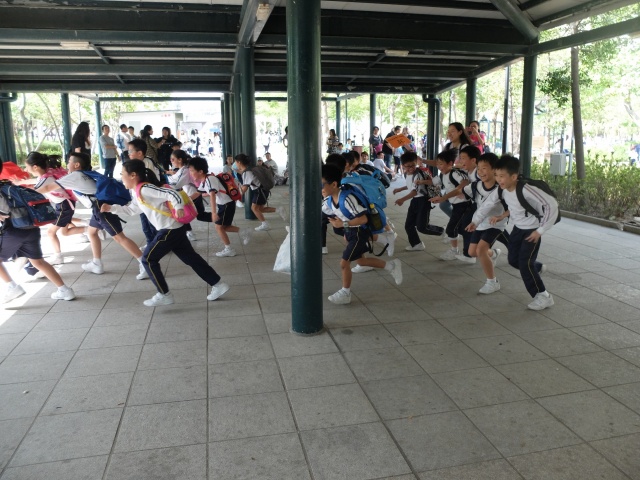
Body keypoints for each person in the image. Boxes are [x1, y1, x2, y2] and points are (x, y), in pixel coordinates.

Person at [102, 160, 230, 306]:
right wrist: (111, 208)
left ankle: (164, 294)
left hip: (169, 230)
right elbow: (132, 210)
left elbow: (172, 193)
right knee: (191, 258)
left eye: (122, 174)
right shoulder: (137, 191)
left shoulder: (145, 188)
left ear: (133, 175)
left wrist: (179, 207)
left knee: (148, 259)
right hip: (174, 228)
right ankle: (218, 284)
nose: (121, 177)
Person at [36, 152, 147, 280]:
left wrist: (26, 193)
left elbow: (47, 188)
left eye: (70, 161)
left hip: (102, 208)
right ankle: (96, 263)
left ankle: (145, 263)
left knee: (119, 238)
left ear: (76, 165)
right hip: (99, 206)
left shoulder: (74, 175)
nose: (67, 164)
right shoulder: (86, 173)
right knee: (91, 232)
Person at [467, 155, 557, 311]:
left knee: (525, 263)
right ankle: (537, 267)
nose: (498, 179)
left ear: (514, 177)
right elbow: (487, 204)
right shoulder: (501, 190)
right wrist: (475, 221)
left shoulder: (526, 189)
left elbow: (552, 205)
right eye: (496, 175)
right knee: (514, 260)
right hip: (518, 229)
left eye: (502, 176)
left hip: (532, 230)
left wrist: (540, 230)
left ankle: (543, 295)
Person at [321, 163, 403, 305]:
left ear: (334, 184)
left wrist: (343, 224)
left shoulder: (347, 199)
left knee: (344, 263)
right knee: (361, 262)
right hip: (350, 232)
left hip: (359, 232)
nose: (320, 189)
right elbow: (323, 214)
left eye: (322, 185)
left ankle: (345, 293)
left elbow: (363, 219)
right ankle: (392, 266)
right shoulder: (328, 201)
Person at [0, 164, 76, 304]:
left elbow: (4, 212)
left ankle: (12, 287)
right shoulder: (9, 185)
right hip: (31, 228)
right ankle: (65, 290)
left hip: (14, 230)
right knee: (38, 262)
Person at [25, 152, 85, 265]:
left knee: (51, 232)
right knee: (64, 226)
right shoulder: (47, 173)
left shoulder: (46, 179)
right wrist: (20, 182)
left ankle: (58, 257)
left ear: (35, 167)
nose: (26, 169)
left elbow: (33, 191)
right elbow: (35, 183)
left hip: (64, 206)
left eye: (27, 167)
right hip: (64, 205)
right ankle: (89, 229)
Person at [462, 153, 509, 294]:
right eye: (478, 168)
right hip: (480, 223)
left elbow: (512, 208)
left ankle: (492, 282)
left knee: (480, 250)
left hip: (495, 224)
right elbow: (482, 206)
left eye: (484, 168)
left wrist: (501, 217)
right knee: (472, 252)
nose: (480, 172)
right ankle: (493, 253)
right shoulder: (476, 185)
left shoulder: (502, 189)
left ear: (494, 170)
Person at [189, 156, 251, 257]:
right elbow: (197, 193)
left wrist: (213, 213)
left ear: (200, 171)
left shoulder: (210, 179)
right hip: (224, 204)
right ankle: (244, 231)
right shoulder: (204, 180)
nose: (190, 173)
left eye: (192, 171)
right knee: (224, 227)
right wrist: (184, 201)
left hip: (226, 204)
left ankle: (229, 249)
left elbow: (212, 195)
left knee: (219, 227)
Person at [419, 149, 470, 260]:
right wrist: (421, 182)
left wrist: (455, 192)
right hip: (456, 205)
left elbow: (465, 181)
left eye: (441, 164)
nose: (438, 166)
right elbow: (433, 182)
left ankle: (456, 251)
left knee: (452, 228)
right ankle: (468, 249)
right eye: (437, 163)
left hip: (464, 205)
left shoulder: (454, 173)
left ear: (450, 163)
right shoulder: (443, 175)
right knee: (461, 228)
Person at [393, 152, 444, 251]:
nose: (411, 168)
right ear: (403, 166)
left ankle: (443, 232)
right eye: (408, 166)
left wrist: (402, 199)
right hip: (415, 201)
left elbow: (415, 191)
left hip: (423, 201)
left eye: (413, 165)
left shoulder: (418, 174)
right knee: (409, 225)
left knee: (422, 227)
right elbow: (411, 185)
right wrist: (400, 189)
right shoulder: (406, 174)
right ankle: (416, 244)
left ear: (416, 163)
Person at [235, 153, 285, 232]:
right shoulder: (251, 168)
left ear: (239, 162)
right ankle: (278, 210)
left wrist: (236, 197)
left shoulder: (247, 173)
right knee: (260, 209)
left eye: (236, 162)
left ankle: (265, 224)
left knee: (254, 208)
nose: (235, 164)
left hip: (259, 191)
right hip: (263, 190)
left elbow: (245, 187)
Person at [167, 149, 202, 242]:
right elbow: (174, 179)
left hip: (193, 195)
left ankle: (220, 221)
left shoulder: (185, 170)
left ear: (180, 160)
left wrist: (163, 182)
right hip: (191, 194)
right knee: (186, 215)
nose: (171, 161)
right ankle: (189, 233)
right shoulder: (183, 169)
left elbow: (176, 184)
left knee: (186, 215)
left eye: (173, 159)